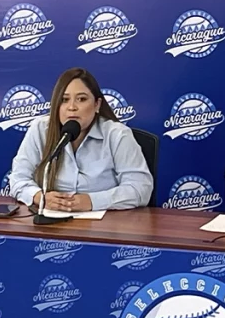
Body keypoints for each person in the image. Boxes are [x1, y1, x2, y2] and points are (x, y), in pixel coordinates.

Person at [9, 68, 153, 212]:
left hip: (106, 222)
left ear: (97, 104)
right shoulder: (41, 130)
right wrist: (39, 197)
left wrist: (92, 201)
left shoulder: (117, 135)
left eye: (81, 99)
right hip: (53, 220)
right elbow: (18, 178)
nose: (72, 107)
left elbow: (140, 188)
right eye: (64, 100)